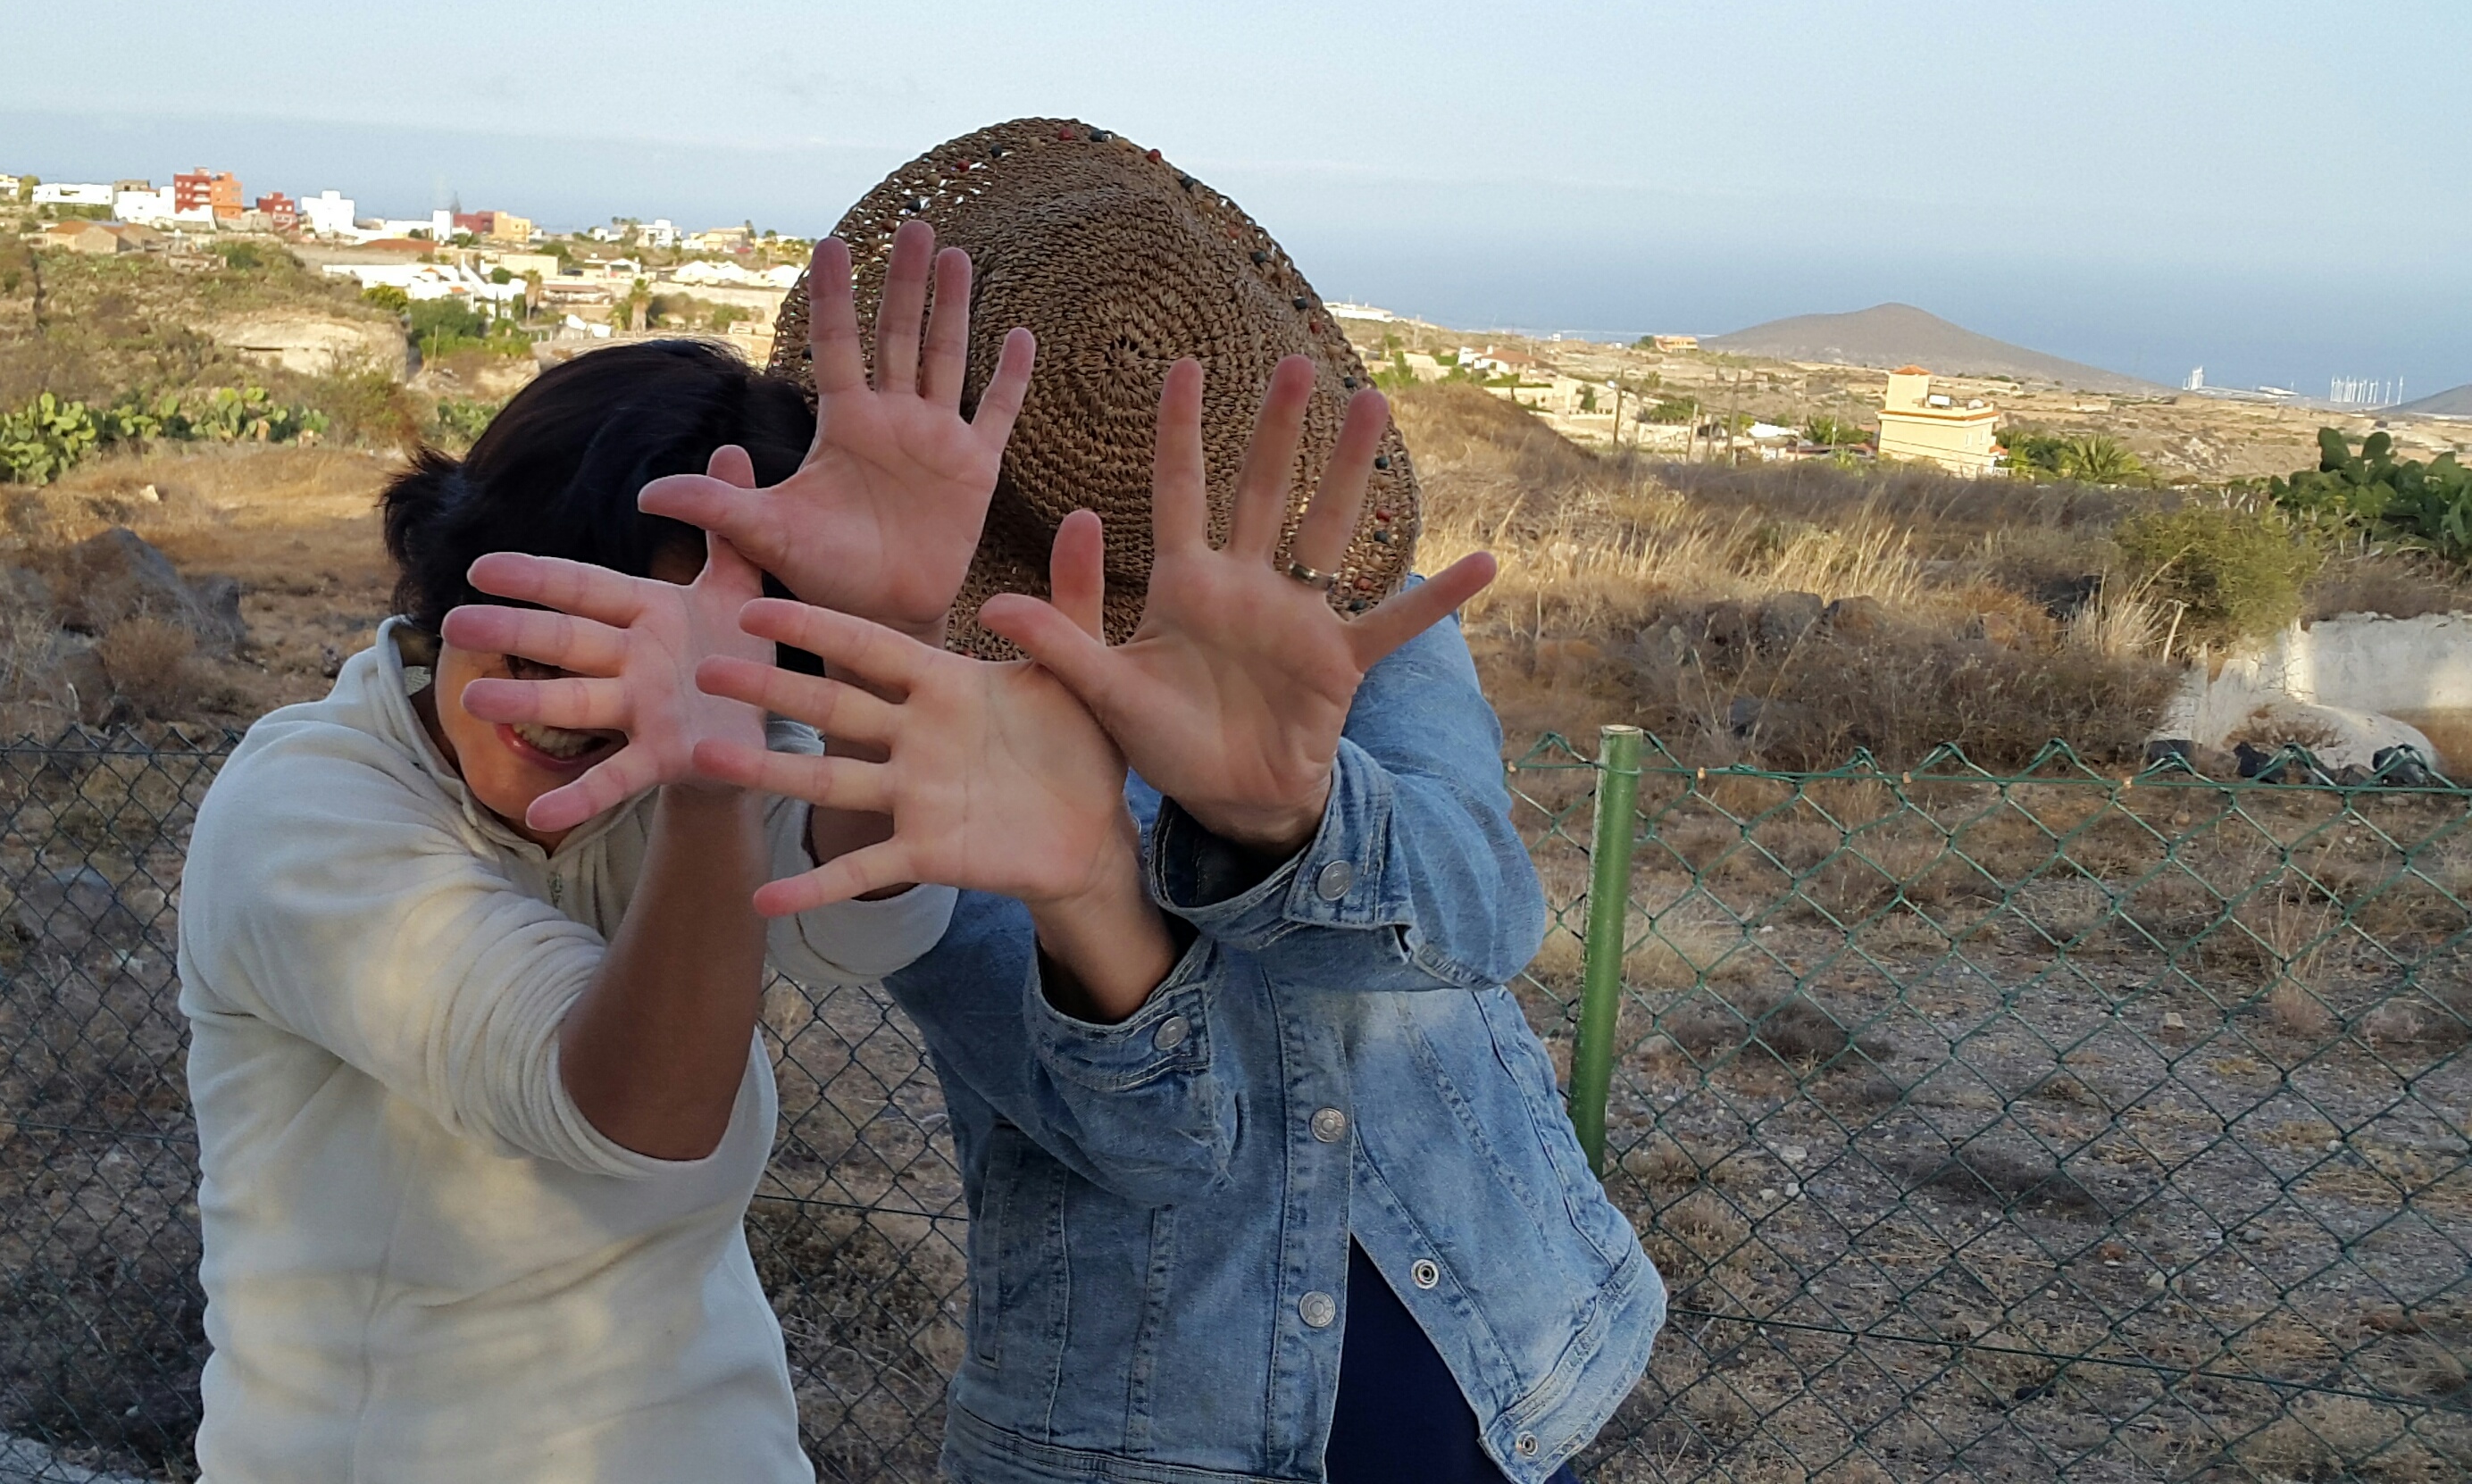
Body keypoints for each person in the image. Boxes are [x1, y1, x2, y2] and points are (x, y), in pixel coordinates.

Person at [670, 120, 1665, 1484]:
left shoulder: (1337, 620)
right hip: (1137, 1431)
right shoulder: (911, 705)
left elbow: (1485, 914)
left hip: (1515, 1363)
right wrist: (1088, 892)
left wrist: (1288, 820)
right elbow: (1145, 1145)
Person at [175, 221, 1031, 1484]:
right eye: (540, 652)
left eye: (636, 672)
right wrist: (700, 787)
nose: (570, 717)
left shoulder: (712, 726)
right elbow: (633, 1117)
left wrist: (886, 633)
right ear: (445, 580)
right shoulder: (303, 812)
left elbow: (865, 918)